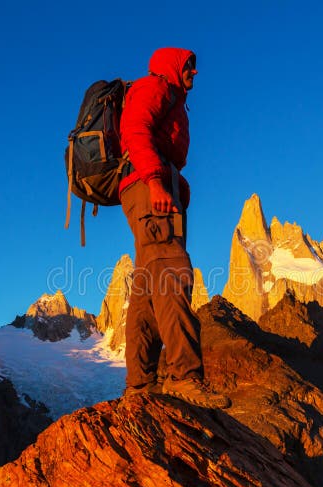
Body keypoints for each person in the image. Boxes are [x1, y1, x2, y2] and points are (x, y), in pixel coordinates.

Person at [118, 47, 230, 409]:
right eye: (189, 66)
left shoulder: (170, 96)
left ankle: (140, 384)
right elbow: (136, 129)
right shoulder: (156, 88)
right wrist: (155, 181)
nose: (194, 73)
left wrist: (176, 184)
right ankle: (184, 376)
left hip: (151, 184)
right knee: (172, 271)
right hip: (148, 187)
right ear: (172, 66)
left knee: (148, 289)